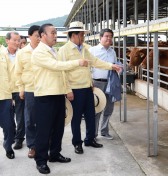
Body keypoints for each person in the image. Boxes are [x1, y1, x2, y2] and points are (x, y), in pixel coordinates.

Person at [31, 23, 89, 174]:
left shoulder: (53, 50)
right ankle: (41, 160)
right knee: (44, 131)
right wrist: (77, 62)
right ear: (43, 35)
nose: (55, 36)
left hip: (57, 94)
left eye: (56, 33)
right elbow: (56, 66)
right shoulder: (39, 52)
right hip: (44, 96)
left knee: (58, 128)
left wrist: (66, 90)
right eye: (52, 33)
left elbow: (61, 73)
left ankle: (55, 154)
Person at [58, 21, 122, 154]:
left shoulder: (84, 50)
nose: (83, 37)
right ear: (74, 35)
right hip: (75, 89)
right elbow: (62, 72)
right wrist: (67, 90)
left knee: (90, 115)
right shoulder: (64, 50)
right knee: (76, 118)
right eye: (82, 35)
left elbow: (95, 62)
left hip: (88, 87)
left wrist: (111, 66)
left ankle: (90, 139)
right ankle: (77, 143)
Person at [15, 25, 40, 159]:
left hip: (45, 89)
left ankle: (43, 143)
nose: (39, 38)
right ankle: (32, 146)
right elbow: (18, 73)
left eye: (40, 36)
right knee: (30, 119)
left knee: (45, 118)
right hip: (30, 90)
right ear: (29, 36)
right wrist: (21, 89)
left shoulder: (46, 51)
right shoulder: (22, 53)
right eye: (36, 36)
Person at [89, 28, 119, 140]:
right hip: (97, 83)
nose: (109, 38)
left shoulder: (112, 52)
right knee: (97, 108)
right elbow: (88, 67)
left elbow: (114, 66)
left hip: (110, 83)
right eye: (106, 36)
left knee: (109, 108)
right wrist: (90, 82)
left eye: (111, 36)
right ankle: (94, 133)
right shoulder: (93, 51)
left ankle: (104, 131)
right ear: (100, 37)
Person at [5, 32, 26, 150]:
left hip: (19, 88)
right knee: (7, 116)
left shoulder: (22, 54)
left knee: (20, 115)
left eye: (19, 40)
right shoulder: (2, 54)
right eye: (15, 40)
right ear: (7, 40)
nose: (18, 43)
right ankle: (11, 135)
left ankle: (19, 139)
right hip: (5, 89)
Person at [0, 50, 15, 159]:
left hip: (4, 96)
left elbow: (12, 75)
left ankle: (8, 145)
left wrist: (12, 94)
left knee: (9, 125)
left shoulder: (3, 54)